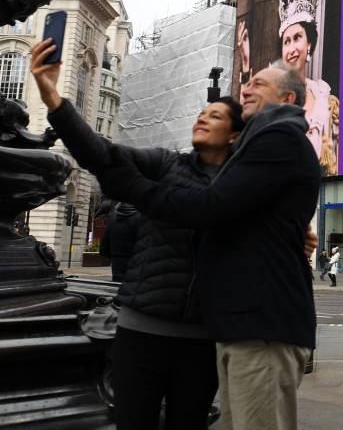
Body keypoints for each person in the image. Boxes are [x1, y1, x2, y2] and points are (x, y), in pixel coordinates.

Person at [31, 37, 245, 430]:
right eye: (201, 112)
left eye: (214, 115)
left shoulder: (242, 187)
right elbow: (103, 154)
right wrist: (53, 99)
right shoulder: (166, 164)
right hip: (141, 330)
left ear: (234, 135)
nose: (202, 118)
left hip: (203, 339)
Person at [96, 62, 321, 430]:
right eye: (246, 82)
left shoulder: (279, 138)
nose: (245, 89)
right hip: (243, 327)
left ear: (288, 98)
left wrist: (133, 188)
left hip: (261, 326)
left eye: (258, 84)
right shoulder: (262, 142)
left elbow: (212, 206)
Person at [277, 0, 337, 176]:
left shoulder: (324, 95)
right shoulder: (273, 97)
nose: (292, 48)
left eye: (297, 38)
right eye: (286, 42)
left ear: (309, 44)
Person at [100, 202, 141, 283]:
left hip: (117, 271)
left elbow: (104, 249)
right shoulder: (142, 217)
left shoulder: (112, 217)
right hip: (138, 273)